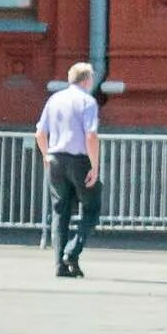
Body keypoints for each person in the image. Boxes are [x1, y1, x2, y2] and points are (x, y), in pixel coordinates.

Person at [35, 58, 101, 276]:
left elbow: (40, 133)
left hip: (55, 158)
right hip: (79, 159)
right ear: (87, 80)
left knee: (59, 211)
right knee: (91, 208)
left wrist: (46, 155)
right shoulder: (87, 101)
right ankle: (72, 252)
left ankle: (59, 265)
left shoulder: (54, 99)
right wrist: (94, 166)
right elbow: (91, 135)